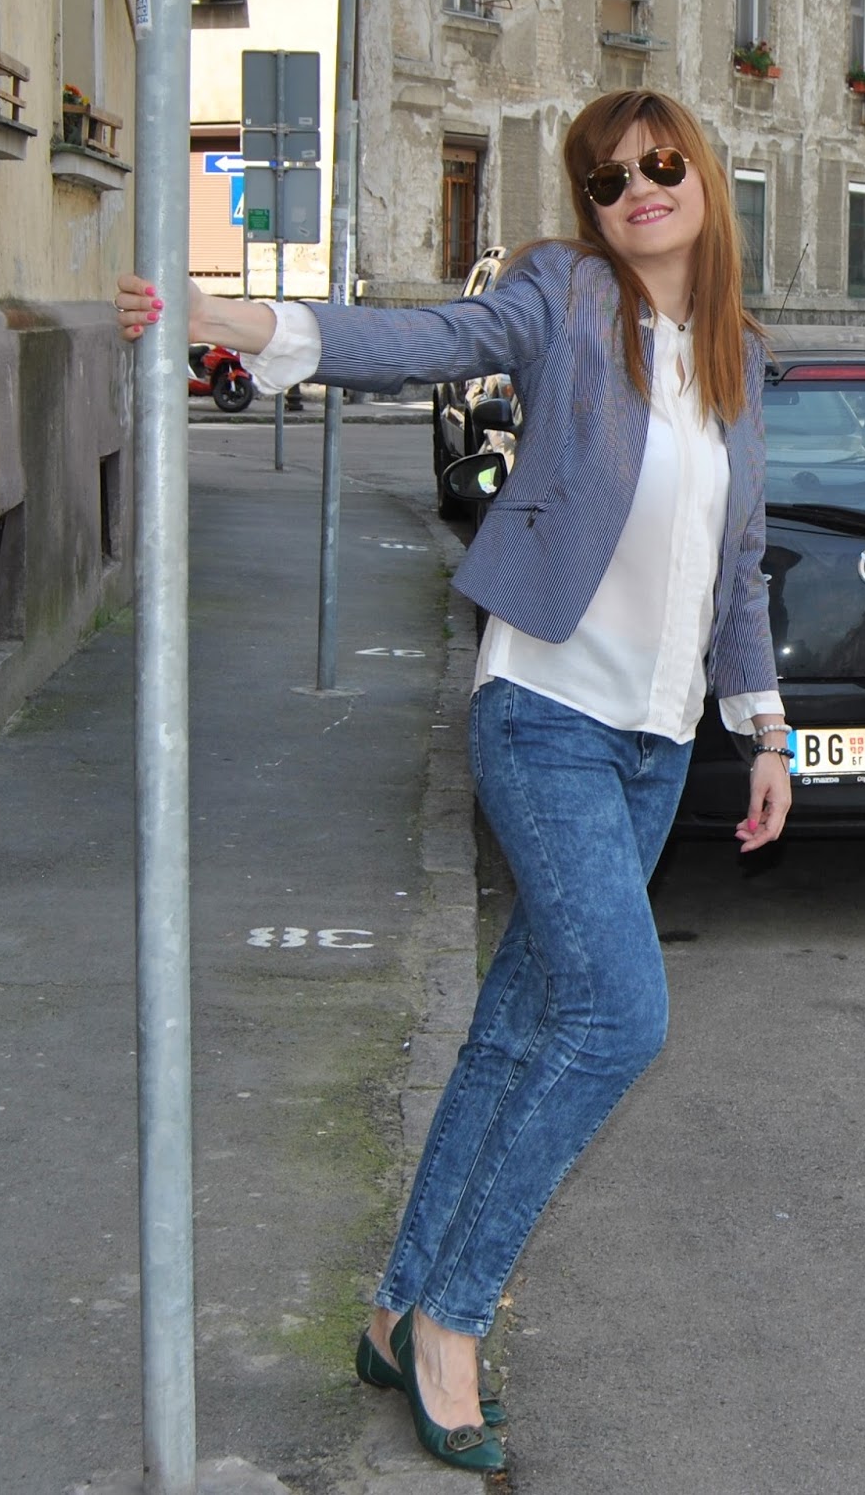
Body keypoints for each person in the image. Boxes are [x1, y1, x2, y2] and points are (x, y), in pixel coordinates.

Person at [117, 88, 791, 1473]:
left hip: (659, 745)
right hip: (545, 715)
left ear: (702, 176)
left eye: (662, 164)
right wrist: (234, 318)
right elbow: (424, 339)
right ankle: (453, 1320)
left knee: (512, 1035)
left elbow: (738, 563)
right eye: (608, 178)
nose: (640, 190)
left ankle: (393, 1304)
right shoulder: (565, 301)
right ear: (589, 207)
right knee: (620, 1018)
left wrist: (763, 727)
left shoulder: (739, 357)